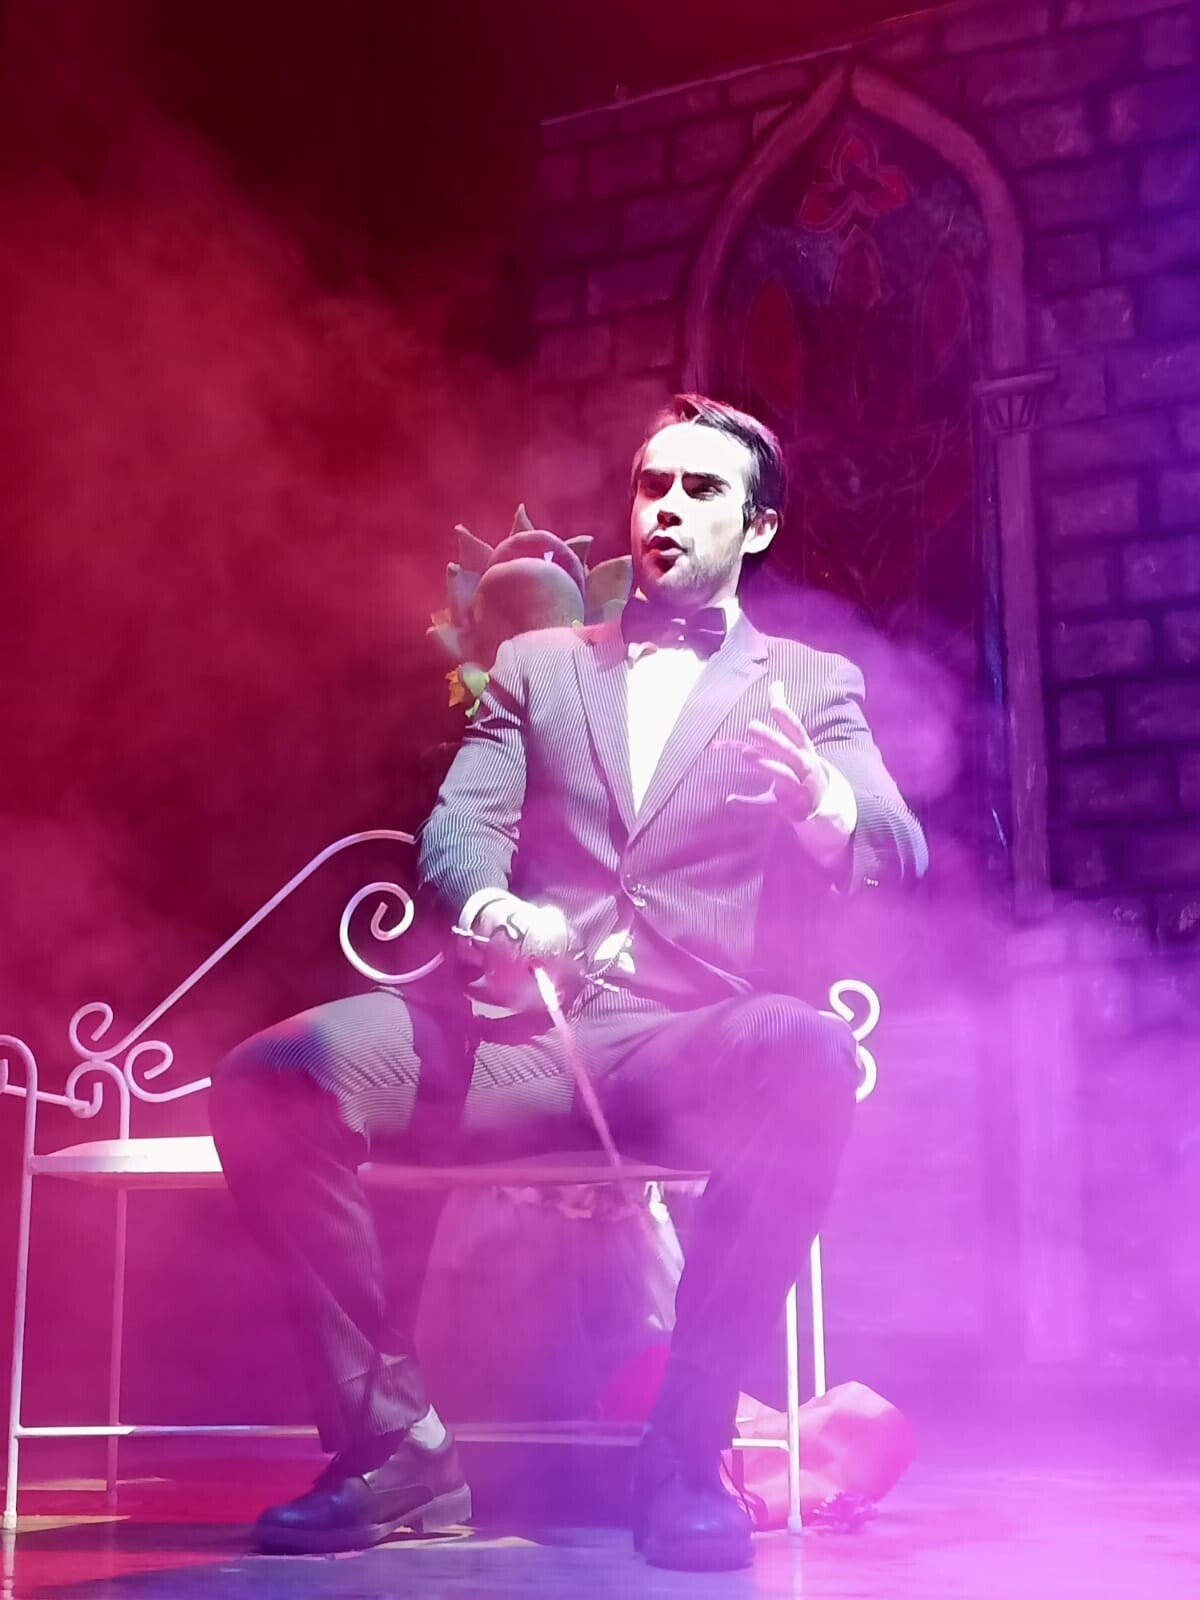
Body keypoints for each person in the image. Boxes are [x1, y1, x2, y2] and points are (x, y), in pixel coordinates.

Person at [210, 394, 927, 1571]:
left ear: (757, 526)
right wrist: (495, 908)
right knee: (274, 1076)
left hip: (693, 1042)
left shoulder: (810, 682)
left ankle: (686, 1454)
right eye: (654, 484)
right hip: (521, 1038)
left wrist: (824, 804)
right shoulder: (538, 666)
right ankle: (391, 1449)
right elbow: (459, 830)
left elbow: (897, 846)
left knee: (808, 1050)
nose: (668, 508)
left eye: (702, 489)